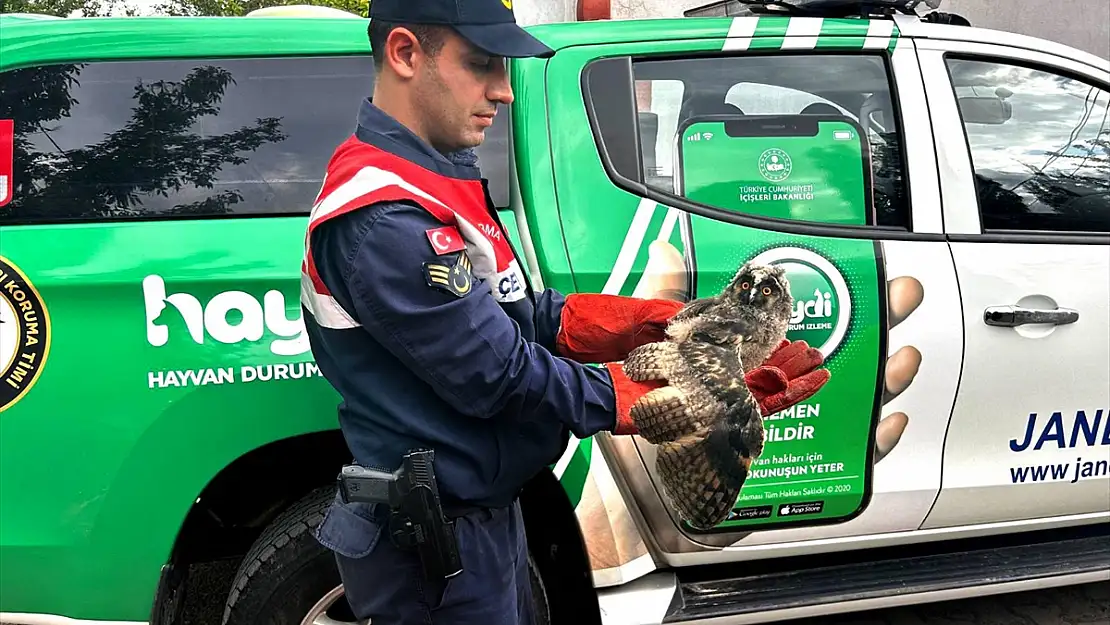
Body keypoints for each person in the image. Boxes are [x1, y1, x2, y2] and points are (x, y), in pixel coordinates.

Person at [301, 0, 828, 623]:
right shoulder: (386, 215)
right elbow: (495, 374)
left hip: (477, 516)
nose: (505, 91)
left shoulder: (434, 175)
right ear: (406, 54)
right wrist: (674, 393)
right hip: (434, 543)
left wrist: (649, 325)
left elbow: (515, 311)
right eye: (481, 64)